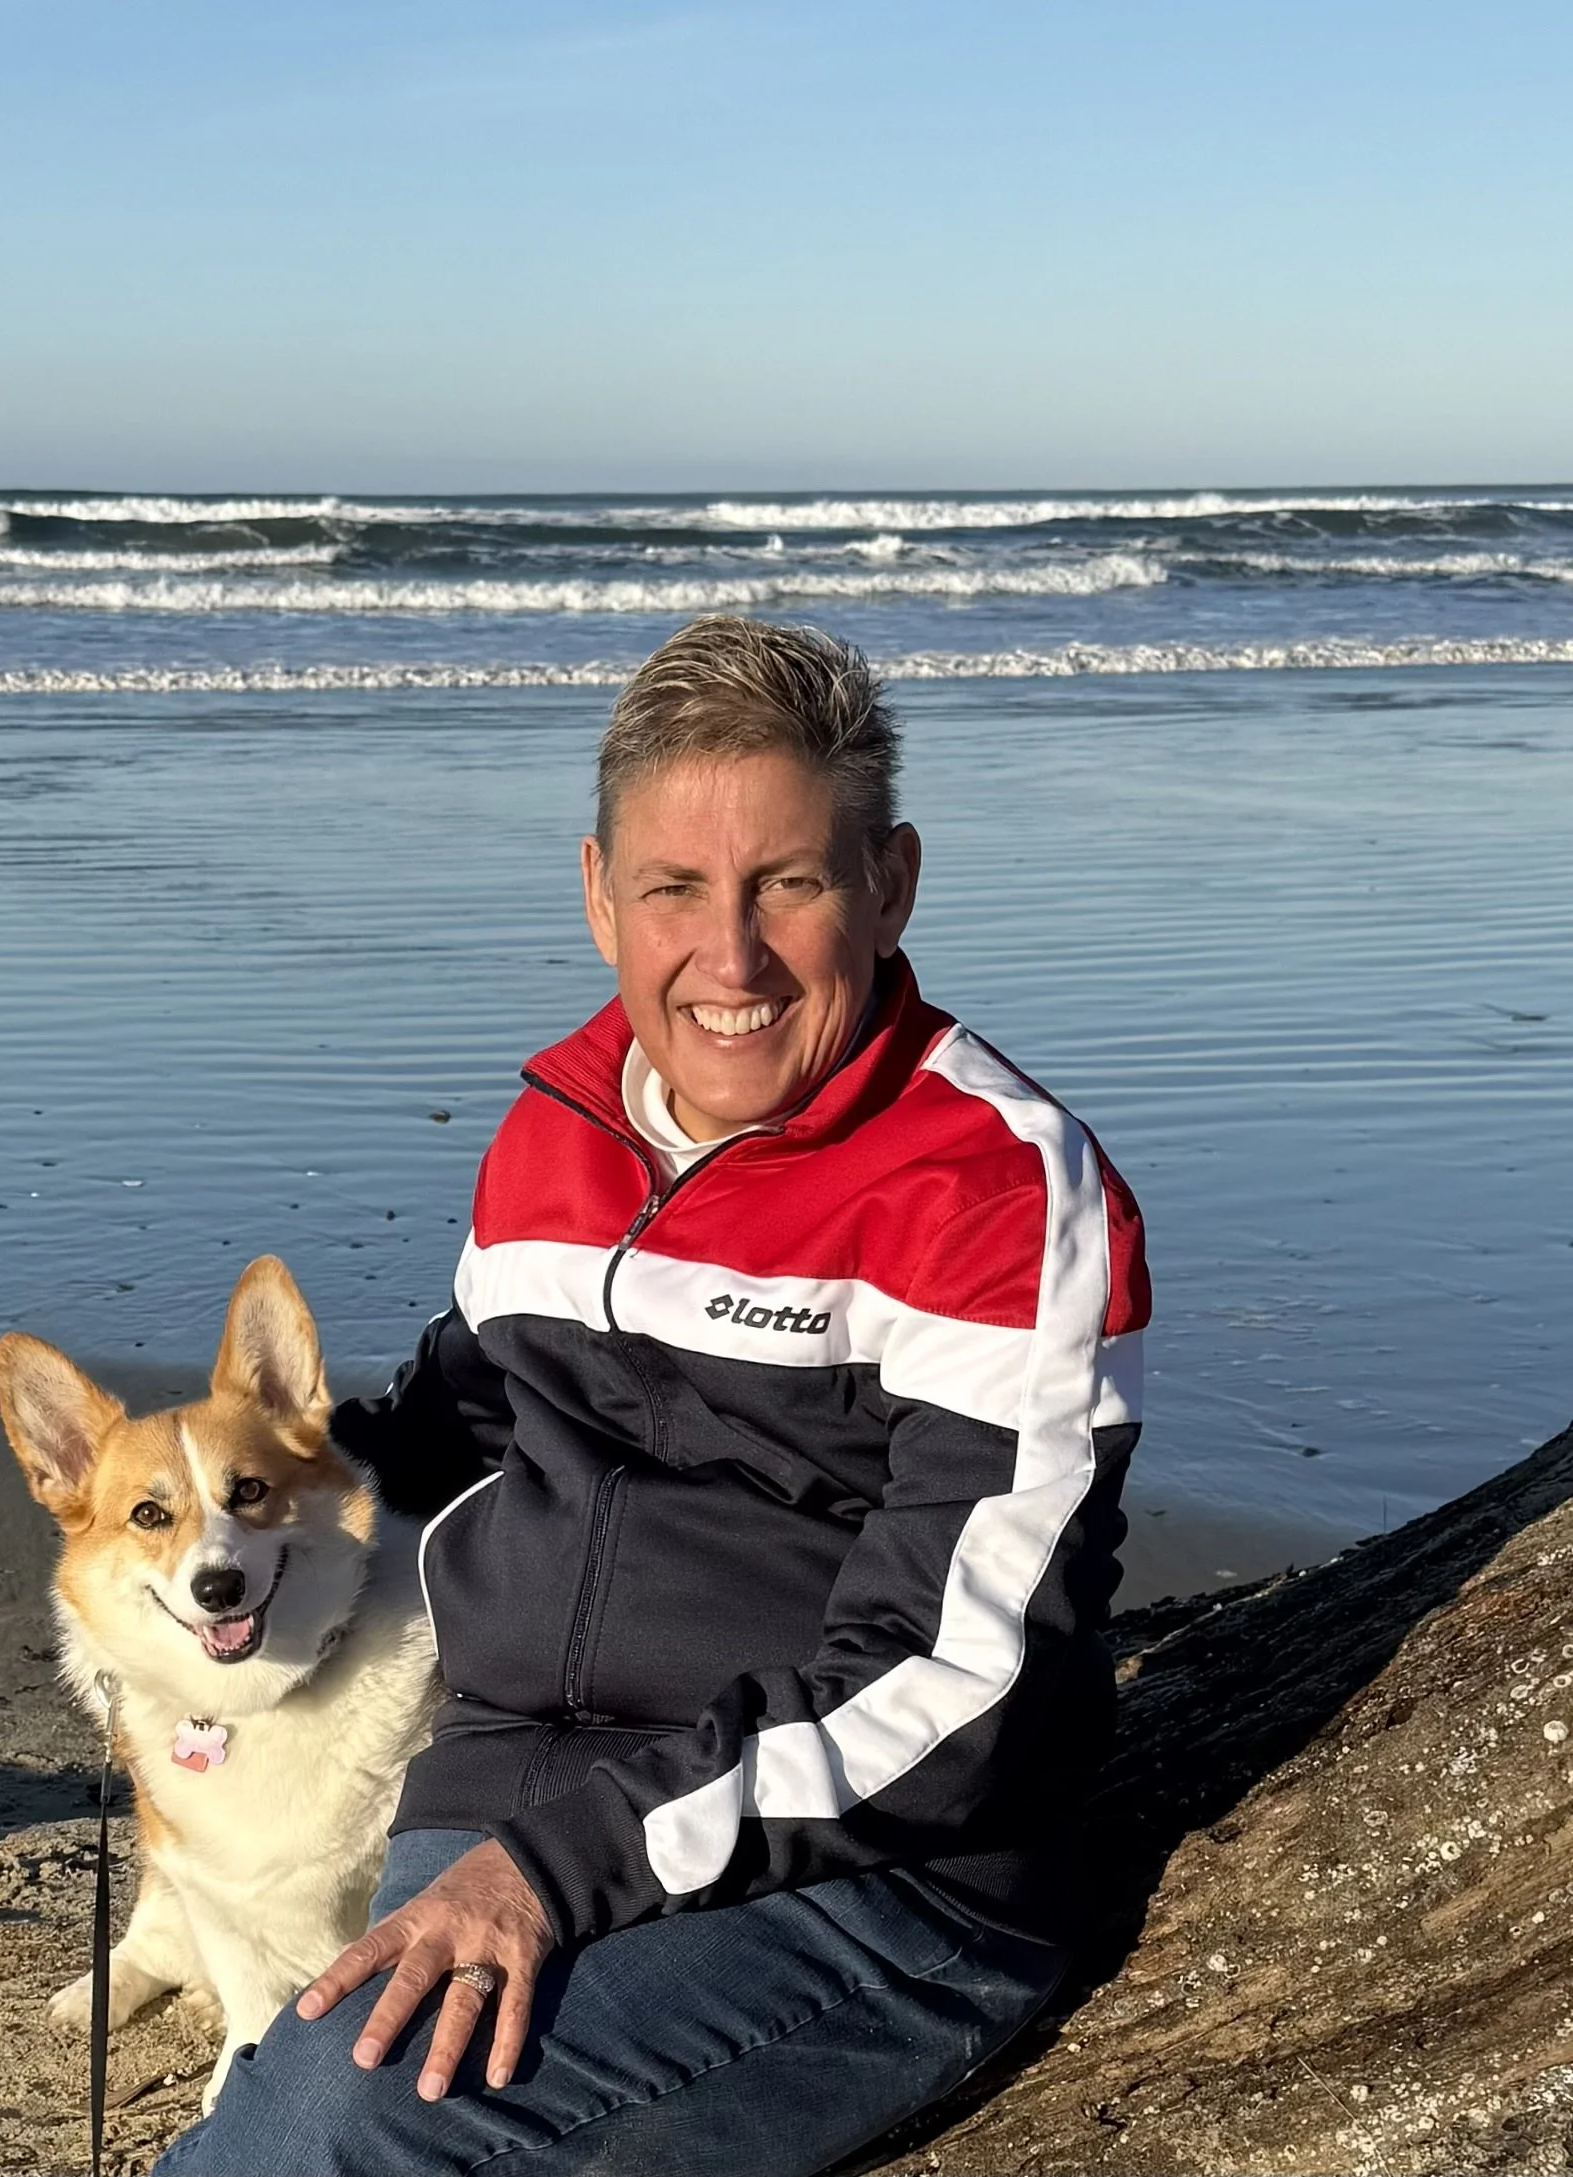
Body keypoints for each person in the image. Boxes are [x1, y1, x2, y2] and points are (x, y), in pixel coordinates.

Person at [155, 617, 1149, 2176]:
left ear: (888, 885)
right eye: (676, 889)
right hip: (500, 1785)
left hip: (866, 1878)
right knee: (301, 2089)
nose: (730, 959)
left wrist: (559, 1870)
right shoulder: (558, 1125)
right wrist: (188, 1531)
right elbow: (450, 1423)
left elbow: (959, 1694)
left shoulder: (994, 1194)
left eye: (791, 886)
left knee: (325, 2137)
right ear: (599, 892)